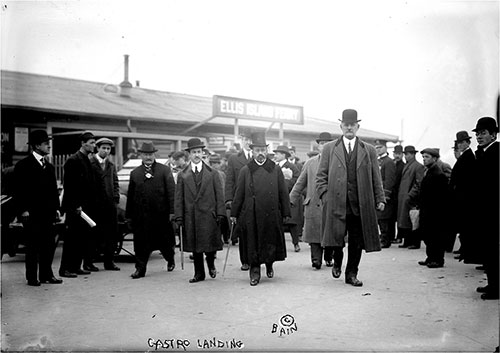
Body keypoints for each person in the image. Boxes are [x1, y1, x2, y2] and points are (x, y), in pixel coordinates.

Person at [316, 109, 385, 287]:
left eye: (352, 125)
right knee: (336, 239)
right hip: (336, 203)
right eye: (346, 125)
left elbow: (375, 176)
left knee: (357, 242)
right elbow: (320, 176)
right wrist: (325, 196)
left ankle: (351, 273)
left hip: (360, 204)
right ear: (341, 126)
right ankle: (337, 260)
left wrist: (380, 198)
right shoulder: (330, 148)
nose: (349, 128)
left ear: (357, 127)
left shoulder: (368, 150)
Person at [230, 131, 291, 286]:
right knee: (253, 243)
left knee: (270, 241)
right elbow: (239, 193)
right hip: (252, 213)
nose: (260, 154)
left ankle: (269, 264)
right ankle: (255, 272)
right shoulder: (246, 170)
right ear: (252, 151)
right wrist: (234, 213)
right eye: (257, 150)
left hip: (271, 212)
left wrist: (285, 211)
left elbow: (282, 191)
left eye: (263, 150)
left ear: (266, 151)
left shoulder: (275, 169)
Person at [13, 130, 62, 286]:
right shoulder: (23, 166)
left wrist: (56, 209)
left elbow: (54, 191)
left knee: (48, 245)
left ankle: (47, 275)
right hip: (32, 214)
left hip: (47, 213)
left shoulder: (49, 166)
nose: (49, 146)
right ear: (36, 146)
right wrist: (23, 210)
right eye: (45, 143)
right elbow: (18, 191)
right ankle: (32, 277)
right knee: (33, 246)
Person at [174, 138, 225, 283]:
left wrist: (220, 212)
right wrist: (179, 216)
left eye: (199, 152)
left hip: (209, 214)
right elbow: (178, 198)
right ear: (189, 154)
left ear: (203, 153)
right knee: (196, 247)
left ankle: (211, 264)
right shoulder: (182, 175)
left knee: (209, 244)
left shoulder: (213, 173)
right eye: (194, 152)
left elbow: (219, 195)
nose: (197, 155)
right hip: (191, 216)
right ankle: (199, 273)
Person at [126, 142, 176, 279]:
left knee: (165, 243)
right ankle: (140, 269)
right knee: (141, 244)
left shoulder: (164, 170)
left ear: (155, 155)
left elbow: (172, 192)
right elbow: (130, 196)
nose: (148, 157)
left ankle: (170, 258)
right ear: (141, 155)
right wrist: (129, 216)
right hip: (141, 217)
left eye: (151, 154)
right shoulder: (135, 173)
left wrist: (172, 211)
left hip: (161, 215)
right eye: (145, 154)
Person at [290, 132, 334, 269]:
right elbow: (300, 183)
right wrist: (291, 198)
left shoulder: (337, 163)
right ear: (318, 146)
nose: (324, 146)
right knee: (314, 235)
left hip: (330, 204)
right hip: (313, 204)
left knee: (330, 233)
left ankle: (328, 256)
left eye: (327, 144)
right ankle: (316, 260)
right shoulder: (310, 163)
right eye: (322, 144)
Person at [59, 131, 99, 278]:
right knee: (71, 239)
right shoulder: (73, 160)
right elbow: (70, 186)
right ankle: (65, 269)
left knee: (81, 238)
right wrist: (75, 205)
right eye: (92, 143)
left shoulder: (86, 159)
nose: (94, 146)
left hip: (85, 206)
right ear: (83, 143)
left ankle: (76, 266)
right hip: (75, 207)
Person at [472, 117, 499, 300]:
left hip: (492, 211)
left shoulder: (496, 153)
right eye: (478, 134)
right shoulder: (483, 152)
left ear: (494, 135)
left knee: (493, 250)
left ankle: (496, 288)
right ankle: (492, 283)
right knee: (488, 250)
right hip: (484, 210)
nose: (479, 137)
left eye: (483, 133)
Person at [414, 148, 451, 268]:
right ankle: (430, 257)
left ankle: (438, 259)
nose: (424, 159)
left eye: (427, 157)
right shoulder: (429, 171)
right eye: (423, 157)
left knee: (435, 235)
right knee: (428, 235)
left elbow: (441, 196)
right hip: (427, 210)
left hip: (435, 211)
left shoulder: (438, 174)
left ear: (435, 159)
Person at [90, 137, 120, 271]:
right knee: (93, 234)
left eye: (108, 149)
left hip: (109, 205)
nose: (106, 151)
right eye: (103, 148)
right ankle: (89, 262)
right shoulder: (90, 163)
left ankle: (109, 262)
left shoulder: (111, 165)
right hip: (95, 205)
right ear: (97, 148)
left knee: (111, 234)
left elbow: (115, 183)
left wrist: (115, 199)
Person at [225, 133, 253, 270]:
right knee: (243, 232)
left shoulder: (259, 158)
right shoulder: (234, 159)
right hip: (241, 201)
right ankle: (245, 260)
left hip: (257, 200)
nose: (248, 142)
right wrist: (229, 199)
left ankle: (257, 259)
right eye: (246, 139)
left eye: (250, 140)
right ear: (241, 141)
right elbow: (229, 180)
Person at [450, 131, 477, 263]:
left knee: (465, 226)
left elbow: (466, 178)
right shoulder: (464, 156)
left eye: (462, 142)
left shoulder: (468, 156)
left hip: (464, 196)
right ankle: (464, 250)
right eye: (458, 143)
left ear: (468, 142)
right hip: (461, 195)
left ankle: (466, 252)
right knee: (463, 226)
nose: (460, 145)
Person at [273, 145, 301, 252]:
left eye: (277, 154)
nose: (275, 156)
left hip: (288, 196)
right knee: (277, 222)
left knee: (291, 222)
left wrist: (286, 183)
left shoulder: (291, 167)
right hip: (275, 198)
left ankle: (296, 243)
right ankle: (278, 245)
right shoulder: (273, 166)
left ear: (283, 155)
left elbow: (298, 180)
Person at [397, 145, 425, 249]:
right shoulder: (408, 165)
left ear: (413, 154)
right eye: (405, 154)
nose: (405, 156)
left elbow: (418, 183)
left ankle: (414, 242)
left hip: (410, 198)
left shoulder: (418, 166)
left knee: (412, 220)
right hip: (404, 197)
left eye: (407, 154)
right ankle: (407, 241)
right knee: (405, 220)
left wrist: (410, 195)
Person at [374, 139, 397, 248]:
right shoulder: (377, 161)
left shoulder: (388, 162)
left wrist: (385, 196)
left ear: (385, 148)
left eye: (380, 147)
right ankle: (382, 238)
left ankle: (385, 239)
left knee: (384, 219)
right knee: (380, 218)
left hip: (385, 195)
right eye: (376, 148)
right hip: (378, 194)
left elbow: (390, 180)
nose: (378, 150)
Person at [392, 145, 406, 244]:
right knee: (392, 217)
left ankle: (400, 236)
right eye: (396, 153)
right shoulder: (393, 164)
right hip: (393, 194)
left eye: (399, 154)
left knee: (399, 216)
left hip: (399, 193)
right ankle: (393, 235)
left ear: (402, 155)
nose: (397, 156)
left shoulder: (403, 166)